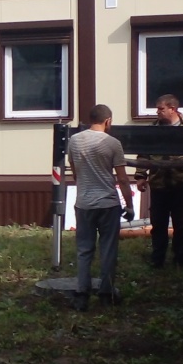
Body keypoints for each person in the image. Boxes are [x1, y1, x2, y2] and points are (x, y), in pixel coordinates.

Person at [67, 104, 136, 310]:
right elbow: (122, 179)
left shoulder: (74, 140)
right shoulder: (113, 143)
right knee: (108, 249)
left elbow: (75, 172)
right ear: (108, 121)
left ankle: (82, 294)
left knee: (84, 249)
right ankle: (106, 294)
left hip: (84, 203)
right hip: (108, 203)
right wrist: (129, 205)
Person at [137, 93, 183, 268]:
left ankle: (180, 259)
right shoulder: (152, 130)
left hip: (181, 183)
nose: (157, 112)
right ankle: (158, 259)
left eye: (161, 109)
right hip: (158, 184)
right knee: (158, 224)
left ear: (173, 109)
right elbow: (143, 154)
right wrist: (141, 176)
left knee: (182, 223)